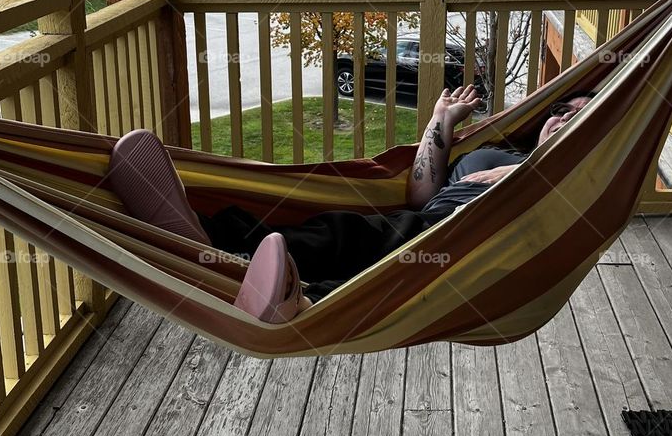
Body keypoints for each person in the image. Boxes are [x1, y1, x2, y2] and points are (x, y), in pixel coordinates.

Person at [107, 86, 591, 323]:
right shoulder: (505, 153)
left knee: (375, 250)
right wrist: (440, 123)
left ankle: (306, 300)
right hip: (429, 219)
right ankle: (209, 239)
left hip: (469, 237)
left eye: (581, 114)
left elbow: (575, 188)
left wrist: (526, 175)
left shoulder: (568, 175)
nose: (563, 116)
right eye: (560, 109)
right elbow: (420, 191)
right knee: (335, 227)